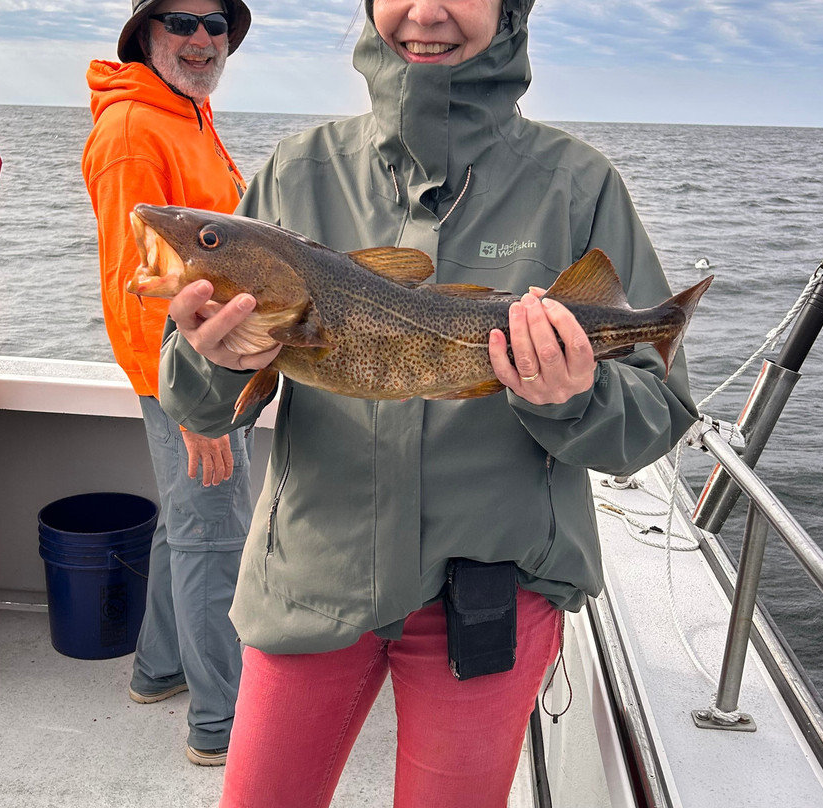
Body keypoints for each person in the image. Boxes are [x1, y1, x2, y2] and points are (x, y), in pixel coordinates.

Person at [161, 0, 699, 803]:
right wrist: (212, 361)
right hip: (311, 577)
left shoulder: (579, 184)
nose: (428, 11)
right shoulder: (296, 170)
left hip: (493, 594)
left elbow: (655, 419)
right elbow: (199, 411)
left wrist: (571, 399)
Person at [81, 0, 254, 767]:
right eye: (179, 21)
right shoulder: (131, 132)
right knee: (213, 534)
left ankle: (159, 668)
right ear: (144, 34)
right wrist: (190, 411)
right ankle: (220, 726)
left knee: (186, 524)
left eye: (214, 24)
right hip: (186, 382)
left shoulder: (190, 116)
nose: (199, 38)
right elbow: (130, 289)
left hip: (215, 370)